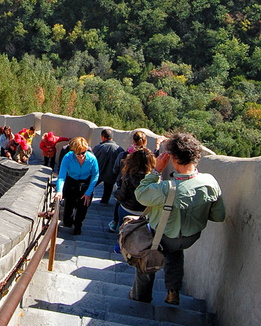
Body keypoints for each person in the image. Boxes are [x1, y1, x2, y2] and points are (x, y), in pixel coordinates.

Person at [130, 131, 226, 306]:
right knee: (175, 251)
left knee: (146, 257)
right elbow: (218, 216)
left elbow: (140, 195)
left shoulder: (168, 188)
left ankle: (140, 297)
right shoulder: (211, 182)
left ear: (173, 159)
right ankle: (173, 291)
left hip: (163, 238)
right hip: (190, 238)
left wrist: (157, 170)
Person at [54, 137, 99, 236]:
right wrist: (59, 190)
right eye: (78, 154)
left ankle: (78, 226)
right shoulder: (68, 157)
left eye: (83, 153)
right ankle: (69, 222)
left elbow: (95, 175)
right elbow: (61, 176)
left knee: (83, 208)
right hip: (71, 182)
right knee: (68, 209)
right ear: (73, 152)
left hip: (85, 183)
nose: (81, 156)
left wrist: (88, 192)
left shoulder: (92, 159)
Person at [108, 130, 148, 232]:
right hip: (143, 203)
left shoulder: (124, 155)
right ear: (145, 141)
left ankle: (115, 223)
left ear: (132, 140)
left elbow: (115, 169)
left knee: (120, 202)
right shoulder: (148, 156)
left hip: (123, 186)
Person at [92, 128, 124, 204]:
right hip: (111, 174)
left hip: (98, 172)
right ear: (112, 137)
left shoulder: (98, 147)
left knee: (90, 186)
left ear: (103, 137)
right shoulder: (119, 149)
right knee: (108, 190)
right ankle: (104, 202)